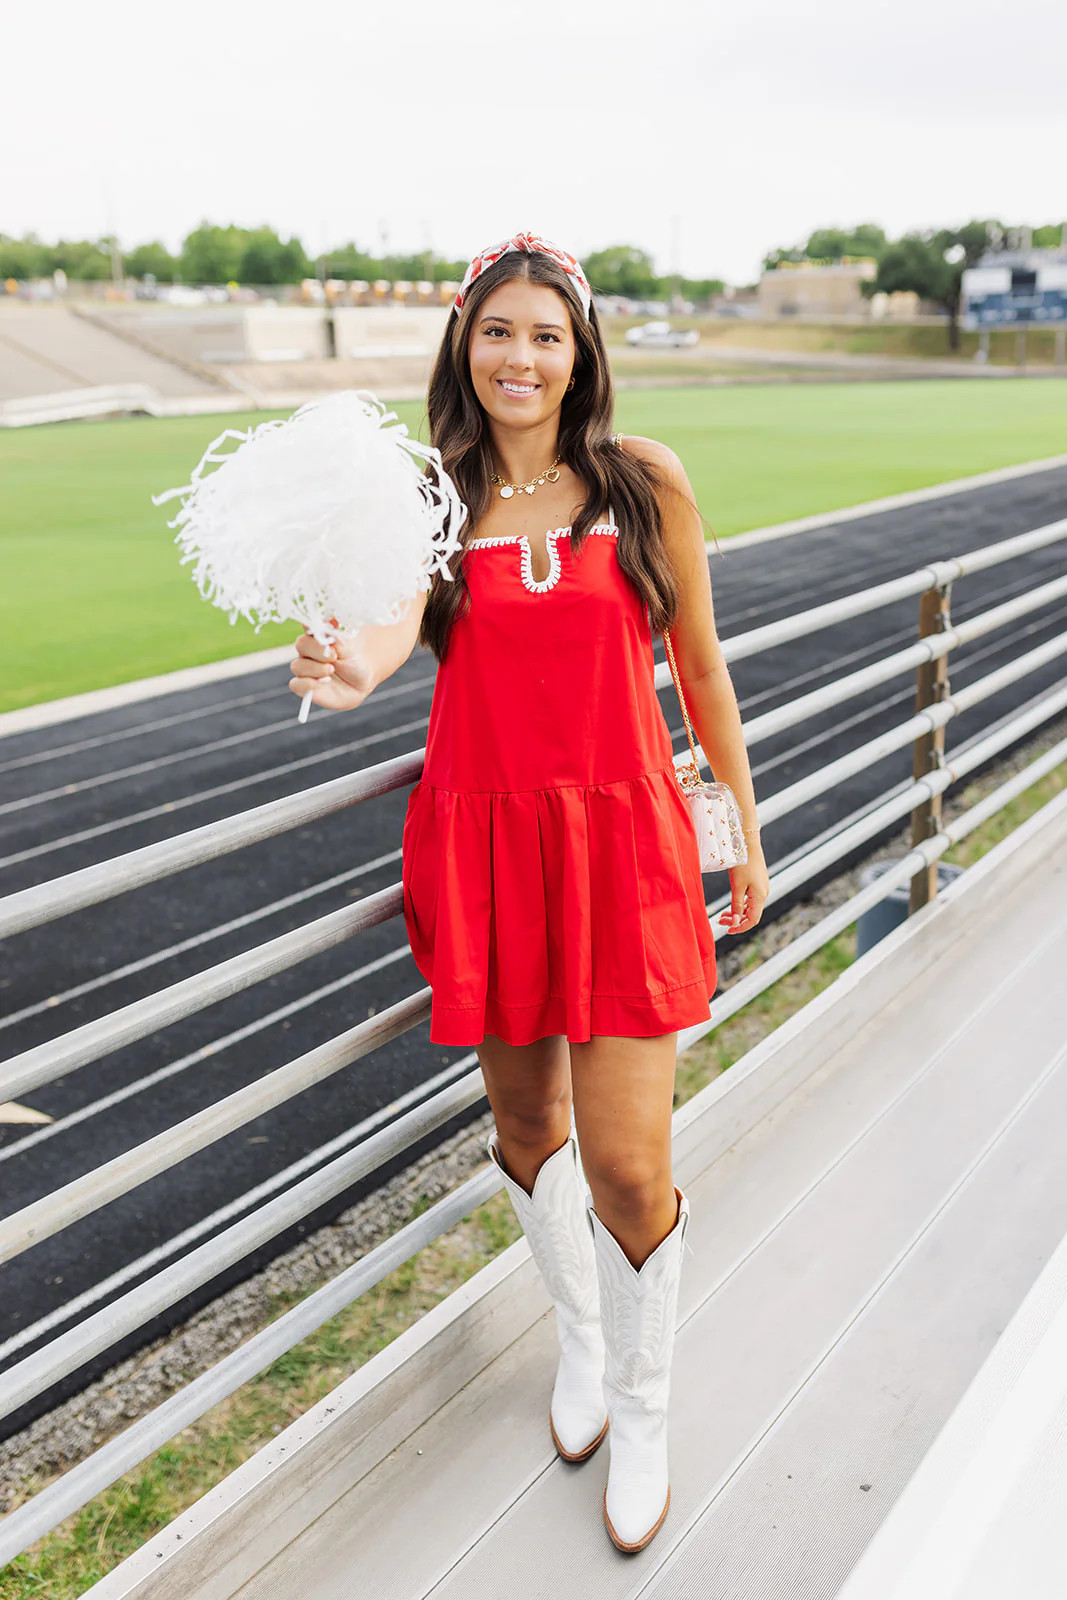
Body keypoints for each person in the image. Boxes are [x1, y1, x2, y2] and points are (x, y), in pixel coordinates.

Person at [289, 231, 769, 1553]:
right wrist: (331, 665)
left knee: (627, 1161)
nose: (519, 356)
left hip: (624, 850)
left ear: (580, 351)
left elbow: (704, 667)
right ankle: (574, 1338)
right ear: (465, 344)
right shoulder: (430, 504)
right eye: (496, 331)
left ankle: (645, 1398)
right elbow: (377, 650)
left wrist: (743, 832)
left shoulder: (641, 482)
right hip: (486, 847)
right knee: (525, 1132)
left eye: (544, 334)